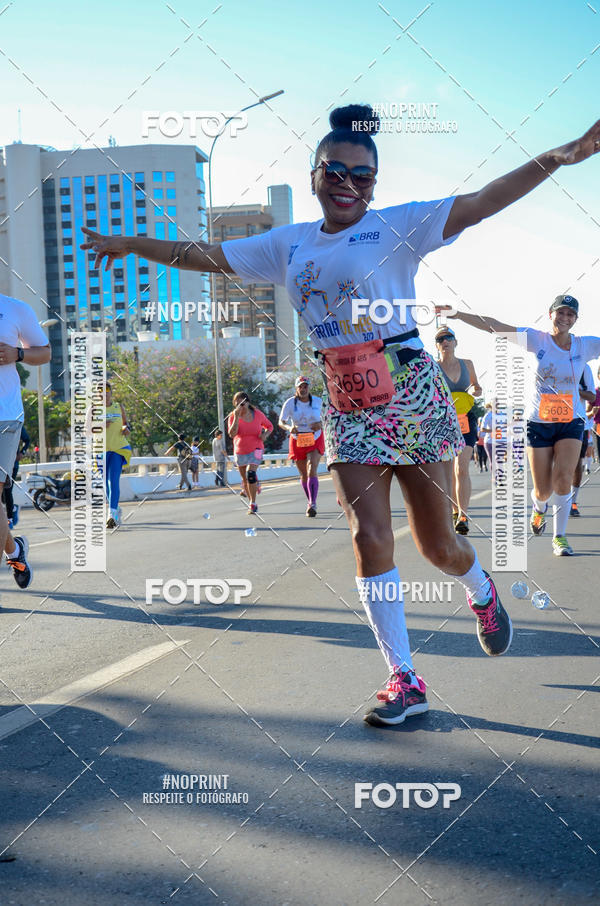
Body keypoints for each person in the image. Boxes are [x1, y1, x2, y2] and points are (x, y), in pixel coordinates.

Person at [81, 104, 600, 726]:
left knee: (438, 546)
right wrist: (131, 245)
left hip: (408, 382)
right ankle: (403, 678)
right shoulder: (288, 243)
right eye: (337, 172)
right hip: (345, 399)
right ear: (314, 174)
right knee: (367, 537)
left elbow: (486, 200)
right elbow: (206, 254)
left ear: (375, 185)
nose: (349, 186)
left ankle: (482, 591)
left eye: (363, 177)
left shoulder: (398, 226)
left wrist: (560, 155)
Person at [442, 295, 600, 556]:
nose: (565, 318)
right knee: (542, 489)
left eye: (570, 314)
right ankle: (539, 509)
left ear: (575, 319)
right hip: (539, 422)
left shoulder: (585, 345)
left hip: (571, 421)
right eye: (560, 313)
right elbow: (493, 325)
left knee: (563, 479)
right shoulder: (536, 339)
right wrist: (458, 314)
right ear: (550, 315)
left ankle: (559, 537)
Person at [0, 294, 51, 596]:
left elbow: (44, 352)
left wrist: (17, 353)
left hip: (4, 416)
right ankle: (14, 549)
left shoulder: (15, 309)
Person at [435, 326, 482, 534]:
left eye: (449, 337)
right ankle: (455, 512)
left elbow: (476, 386)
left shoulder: (468, 364)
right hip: (443, 420)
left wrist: (476, 390)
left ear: (455, 342)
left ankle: (463, 514)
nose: (445, 341)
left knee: (461, 467)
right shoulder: (433, 368)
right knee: (450, 472)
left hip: (466, 418)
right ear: (437, 345)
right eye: (441, 339)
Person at [279, 376, 324, 516]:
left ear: (308, 388)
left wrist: (320, 424)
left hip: (314, 437)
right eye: (300, 387)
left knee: (312, 468)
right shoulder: (290, 403)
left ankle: (313, 503)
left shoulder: (318, 402)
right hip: (298, 438)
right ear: (296, 388)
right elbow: (281, 421)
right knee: (304, 474)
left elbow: (329, 417)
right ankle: (309, 500)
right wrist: (288, 428)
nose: (303, 389)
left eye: (305, 386)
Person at [226, 392, 272, 514]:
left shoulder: (257, 414)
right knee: (245, 479)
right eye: (238, 402)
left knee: (250, 473)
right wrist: (236, 416)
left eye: (243, 402)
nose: (241, 405)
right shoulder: (232, 416)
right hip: (240, 451)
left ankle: (253, 503)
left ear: (248, 402)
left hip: (257, 448)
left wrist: (265, 435)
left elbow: (270, 426)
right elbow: (232, 434)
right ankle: (252, 490)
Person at [105, 382, 132, 528]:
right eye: (100, 391)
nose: (104, 393)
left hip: (118, 447)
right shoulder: (93, 409)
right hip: (100, 450)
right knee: (105, 484)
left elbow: (126, 424)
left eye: (107, 390)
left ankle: (112, 514)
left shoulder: (118, 407)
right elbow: (86, 430)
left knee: (112, 481)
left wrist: (126, 429)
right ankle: (115, 508)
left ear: (111, 392)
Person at [570, 364, 596, 516]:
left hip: (577, 423)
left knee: (576, 464)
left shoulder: (583, 368)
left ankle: (573, 502)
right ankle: (543, 501)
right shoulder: (549, 361)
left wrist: (576, 391)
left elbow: (591, 396)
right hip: (551, 422)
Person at [2, 424, 30, 530]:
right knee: (3, 496)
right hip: (1, 463)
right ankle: (13, 508)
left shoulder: (15, 424)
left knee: (7, 491)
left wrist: (22, 452)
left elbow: (27, 440)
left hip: (13, 464)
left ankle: (10, 519)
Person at [479, 399, 508, 486]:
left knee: (499, 460)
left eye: (498, 403)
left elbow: (506, 425)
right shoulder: (488, 415)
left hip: (500, 441)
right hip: (489, 441)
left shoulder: (502, 414)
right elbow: (482, 429)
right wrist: (493, 430)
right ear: (491, 405)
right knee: (493, 461)